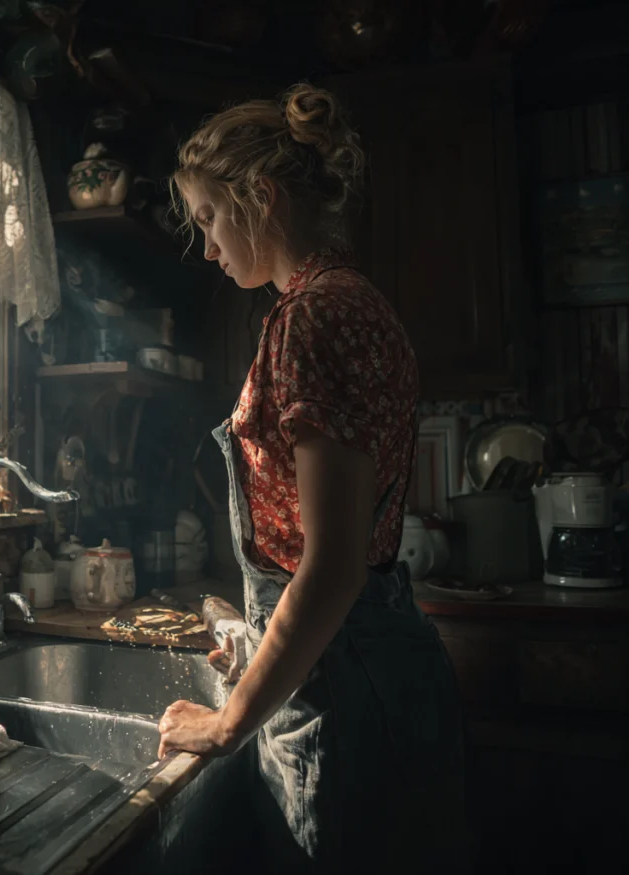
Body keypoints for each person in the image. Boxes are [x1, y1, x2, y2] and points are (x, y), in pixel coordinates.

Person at [157, 84, 470, 873]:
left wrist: (229, 721)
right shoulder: (354, 301)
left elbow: (328, 570)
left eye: (208, 219)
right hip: (373, 663)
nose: (207, 248)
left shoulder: (309, 317)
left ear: (258, 198)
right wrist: (255, 640)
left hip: (342, 682)